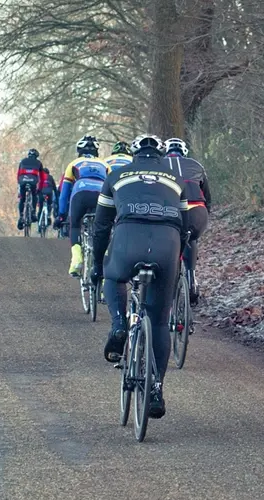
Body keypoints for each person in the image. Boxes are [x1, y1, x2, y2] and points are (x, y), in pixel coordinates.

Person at [91, 134, 188, 419]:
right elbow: (186, 226)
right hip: (167, 243)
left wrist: (98, 265)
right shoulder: (175, 178)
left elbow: (100, 226)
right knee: (158, 321)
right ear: (160, 155)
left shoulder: (116, 175)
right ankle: (156, 387)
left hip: (127, 239)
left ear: (134, 155)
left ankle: (119, 325)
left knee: (114, 277)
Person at [164, 138, 211, 305]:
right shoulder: (196, 165)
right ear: (184, 152)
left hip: (172, 210)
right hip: (198, 210)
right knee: (191, 238)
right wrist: (206, 216)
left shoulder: (160, 165)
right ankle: (191, 278)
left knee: (170, 239)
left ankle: (168, 280)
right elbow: (207, 197)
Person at [55, 135, 106, 276]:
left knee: (75, 224)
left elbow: (64, 193)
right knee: (104, 228)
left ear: (79, 150)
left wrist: (61, 215)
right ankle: (103, 268)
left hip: (80, 193)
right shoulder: (104, 164)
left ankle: (76, 258)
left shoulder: (74, 163)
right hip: (100, 194)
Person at [16, 148, 44, 230]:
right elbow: (42, 177)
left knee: (22, 199)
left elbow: (18, 174)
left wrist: (19, 183)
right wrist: (40, 189)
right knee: (34, 195)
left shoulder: (22, 161)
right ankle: (33, 213)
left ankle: (21, 216)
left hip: (22, 180)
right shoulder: (38, 163)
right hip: (33, 181)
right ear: (36, 156)